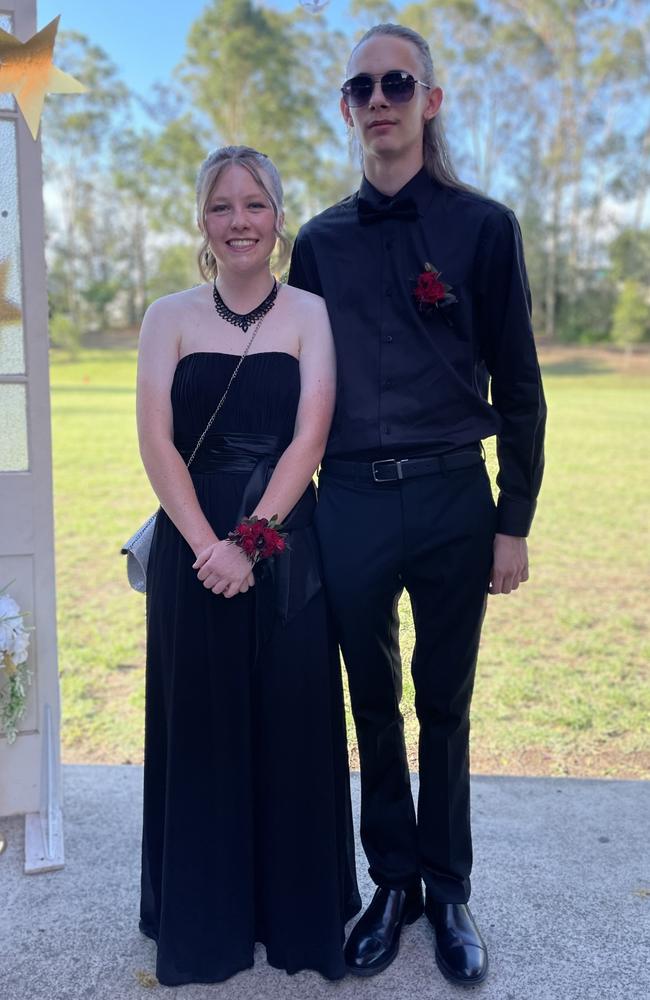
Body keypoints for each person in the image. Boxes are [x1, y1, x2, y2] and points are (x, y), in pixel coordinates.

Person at [288, 22, 546, 986]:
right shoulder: (315, 244)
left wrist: (512, 518)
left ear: (430, 100)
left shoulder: (484, 228)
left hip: (451, 498)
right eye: (363, 87)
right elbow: (297, 385)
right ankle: (389, 882)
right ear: (347, 108)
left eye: (399, 82)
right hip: (349, 499)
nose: (381, 100)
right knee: (373, 702)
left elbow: (520, 387)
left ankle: (448, 889)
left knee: (445, 702)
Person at [136, 145, 360, 986]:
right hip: (192, 553)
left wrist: (251, 541)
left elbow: (312, 435)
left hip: (286, 551)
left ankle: (296, 915)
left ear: (278, 217)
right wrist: (204, 546)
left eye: (255, 205)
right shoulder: (168, 317)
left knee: (292, 722)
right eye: (223, 206)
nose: (240, 222)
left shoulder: (309, 313)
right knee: (202, 728)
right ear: (203, 220)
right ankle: (206, 919)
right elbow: (155, 440)